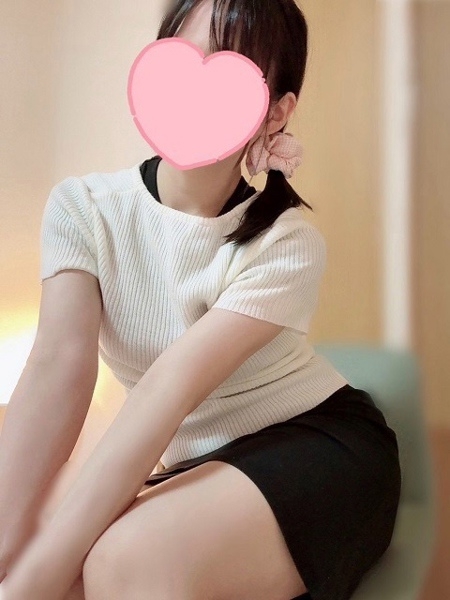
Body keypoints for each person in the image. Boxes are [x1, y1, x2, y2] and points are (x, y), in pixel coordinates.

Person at [0, 1, 402, 599]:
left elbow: (168, 390)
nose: (197, 86)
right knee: (66, 567)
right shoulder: (83, 208)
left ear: (276, 111)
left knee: (117, 563)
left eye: (230, 69)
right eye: (183, 58)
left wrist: (33, 579)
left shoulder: (287, 243)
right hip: (199, 462)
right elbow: (57, 366)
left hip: (318, 447)